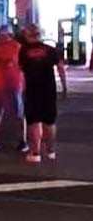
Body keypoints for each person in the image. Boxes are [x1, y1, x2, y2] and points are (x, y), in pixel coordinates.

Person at [19, 24, 67, 163]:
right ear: (39, 35)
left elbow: (21, 72)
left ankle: (35, 153)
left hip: (33, 90)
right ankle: (50, 151)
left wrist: (21, 91)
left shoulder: (23, 51)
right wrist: (64, 87)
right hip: (49, 90)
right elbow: (61, 68)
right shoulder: (50, 50)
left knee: (34, 121)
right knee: (49, 121)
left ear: (27, 35)